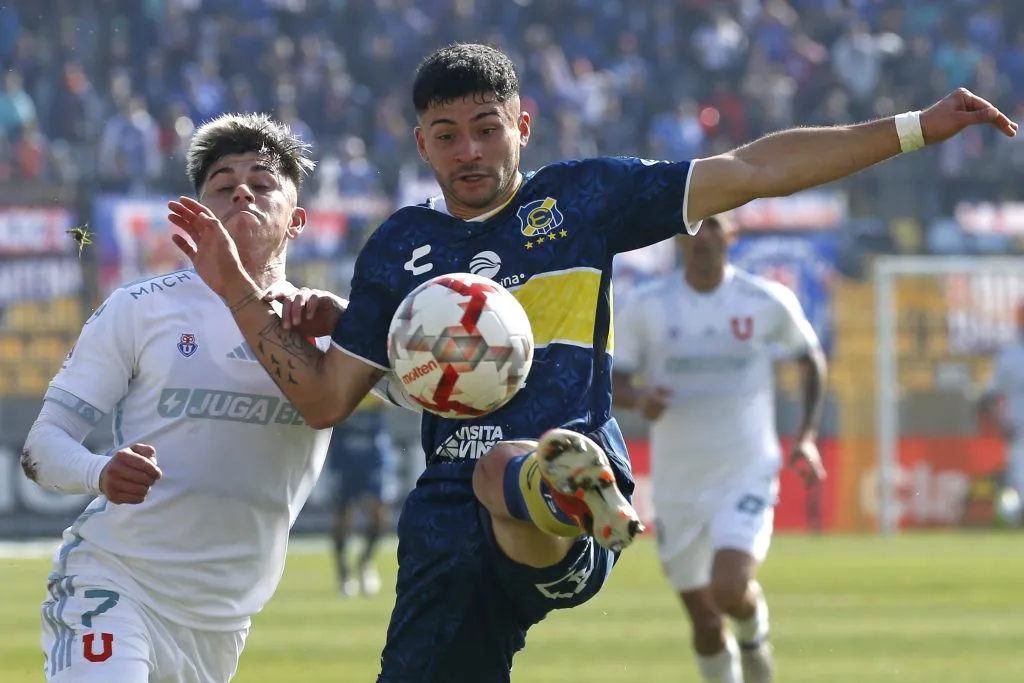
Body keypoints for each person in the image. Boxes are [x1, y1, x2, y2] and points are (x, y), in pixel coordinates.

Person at [169, 43, 1016, 683]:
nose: (470, 151)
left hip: (562, 482)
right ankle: (545, 490)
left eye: (487, 128)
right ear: (422, 145)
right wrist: (242, 291)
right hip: (439, 526)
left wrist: (916, 128)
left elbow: (755, 167)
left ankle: (569, 488)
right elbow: (323, 399)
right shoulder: (401, 249)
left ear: (522, 125)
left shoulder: (582, 200)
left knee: (505, 464)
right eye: (447, 135)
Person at [21, 113, 335, 683]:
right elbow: (41, 446)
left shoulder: (326, 321)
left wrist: (360, 326)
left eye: (263, 183)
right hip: (114, 583)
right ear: (201, 214)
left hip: (221, 625)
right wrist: (99, 472)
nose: (242, 189)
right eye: (222, 184)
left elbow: (415, 395)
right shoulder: (139, 307)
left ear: (297, 221)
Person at [612, 214, 827, 683]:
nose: (702, 236)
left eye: (713, 225)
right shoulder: (646, 306)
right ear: (676, 239)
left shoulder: (764, 300)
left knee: (729, 588)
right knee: (705, 620)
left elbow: (809, 358)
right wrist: (638, 398)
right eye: (692, 227)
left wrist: (806, 437)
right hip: (677, 484)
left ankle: (753, 634)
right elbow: (614, 381)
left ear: (732, 235)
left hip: (745, 470)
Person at [327, 393, 398, 597]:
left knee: (379, 514)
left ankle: (365, 562)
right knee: (342, 515)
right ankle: (343, 571)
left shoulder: (375, 374)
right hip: (344, 452)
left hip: (374, 453)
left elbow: (393, 399)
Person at [978, 301, 1024, 525]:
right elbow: (991, 397)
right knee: (1018, 483)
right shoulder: (1009, 357)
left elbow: (990, 397)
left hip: (1015, 431)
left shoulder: (1008, 357)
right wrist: (1001, 422)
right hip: (1018, 432)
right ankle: (1013, 525)